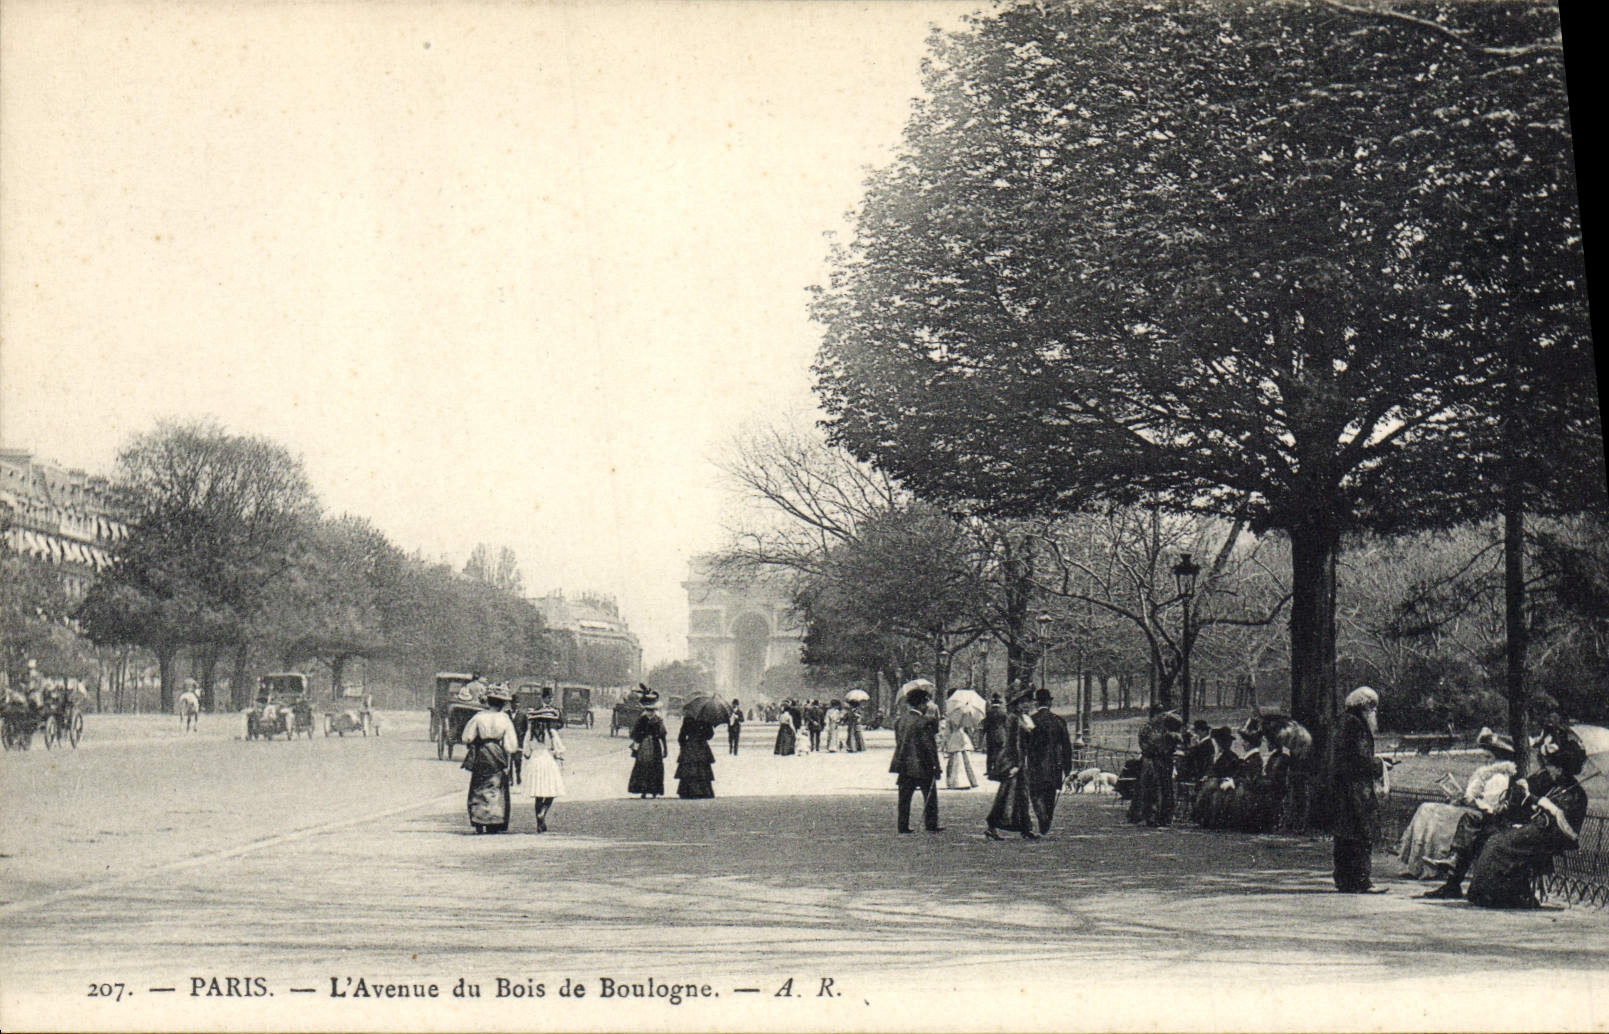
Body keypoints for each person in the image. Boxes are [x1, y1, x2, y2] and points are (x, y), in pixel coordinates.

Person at [1466, 733, 1590, 908]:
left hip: (1551, 837)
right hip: (1534, 829)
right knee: (1491, 834)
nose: (1547, 769)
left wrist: (1541, 803)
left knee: (1499, 843)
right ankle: (1502, 892)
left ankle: (1494, 894)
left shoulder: (1575, 794)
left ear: (1560, 769)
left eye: (1551, 766)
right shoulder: (1550, 781)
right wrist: (1524, 789)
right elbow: (1527, 787)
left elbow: (1564, 826)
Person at [1331, 686, 1388, 893]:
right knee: (1361, 834)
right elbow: (1360, 760)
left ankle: (1344, 880)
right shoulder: (1357, 726)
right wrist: (1380, 765)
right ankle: (1361, 880)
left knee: (1344, 835)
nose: (1375, 712)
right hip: (1356, 790)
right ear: (1365, 707)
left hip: (1342, 788)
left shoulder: (1342, 722)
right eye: (1373, 707)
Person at [461, 688, 518, 834]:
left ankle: (479, 818)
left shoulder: (479, 717)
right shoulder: (504, 719)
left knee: (479, 785)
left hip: (482, 752)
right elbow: (511, 745)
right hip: (497, 753)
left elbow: (467, 737)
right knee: (495, 786)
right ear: (502, 703)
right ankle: (494, 819)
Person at [890, 686, 943, 833]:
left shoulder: (900, 721)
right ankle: (931, 824)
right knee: (930, 796)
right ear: (921, 704)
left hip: (903, 763)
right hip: (922, 764)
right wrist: (936, 766)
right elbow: (929, 746)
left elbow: (899, 741)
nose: (927, 706)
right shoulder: (924, 722)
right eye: (925, 703)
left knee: (904, 797)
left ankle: (902, 825)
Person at [985, 693, 1037, 840]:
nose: (1026, 705)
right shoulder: (1013, 718)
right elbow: (1013, 743)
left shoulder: (1022, 718)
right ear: (1016, 704)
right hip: (1014, 762)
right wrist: (1015, 765)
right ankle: (992, 826)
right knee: (1006, 795)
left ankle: (1026, 828)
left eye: (1028, 702)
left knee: (1021, 796)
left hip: (1020, 761)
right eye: (1022, 702)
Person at [1024, 689, 1075, 836]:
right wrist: (1067, 767)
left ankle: (1041, 815)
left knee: (1035, 793)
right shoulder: (1058, 721)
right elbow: (1066, 746)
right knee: (1050, 794)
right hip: (1054, 764)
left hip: (1035, 764)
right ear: (1049, 702)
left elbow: (1024, 744)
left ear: (1037, 703)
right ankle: (1047, 818)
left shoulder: (1031, 720)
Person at [1136, 707, 1183, 827]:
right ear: (1155, 715)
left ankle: (1164, 816)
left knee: (1165, 788)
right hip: (1152, 760)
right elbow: (1147, 745)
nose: (1162, 717)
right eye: (1161, 715)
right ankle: (1152, 815)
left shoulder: (1163, 727)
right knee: (1153, 788)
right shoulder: (1148, 728)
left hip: (1163, 760)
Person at [522, 704, 565, 832]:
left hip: (534, 762)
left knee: (538, 794)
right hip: (547, 761)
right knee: (551, 791)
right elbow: (559, 749)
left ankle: (539, 823)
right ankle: (543, 812)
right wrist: (557, 755)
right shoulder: (551, 733)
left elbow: (526, 752)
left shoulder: (530, 733)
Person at [627, 690, 668, 798]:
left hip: (653, 746)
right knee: (644, 767)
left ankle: (653, 791)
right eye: (648, 710)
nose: (650, 712)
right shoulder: (643, 720)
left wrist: (665, 749)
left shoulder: (657, 720)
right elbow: (635, 734)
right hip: (645, 746)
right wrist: (636, 744)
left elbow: (663, 735)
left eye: (652, 710)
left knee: (653, 767)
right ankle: (645, 790)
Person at [942, 695, 980, 790]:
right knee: (967, 760)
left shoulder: (950, 716)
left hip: (954, 737)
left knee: (956, 760)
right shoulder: (967, 713)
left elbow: (947, 731)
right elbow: (970, 728)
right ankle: (972, 780)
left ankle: (956, 782)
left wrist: (946, 742)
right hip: (963, 737)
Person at [676, 716, 717, 799]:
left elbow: (681, 736)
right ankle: (704, 791)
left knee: (689, 768)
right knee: (702, 768)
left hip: (690, 746)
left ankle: (688, 791)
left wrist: (684, 746)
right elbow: (710, 735)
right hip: (702, 746)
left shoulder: (688, 719)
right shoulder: (706, 718)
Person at [980, 694, 1008, 776]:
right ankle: (997, 769)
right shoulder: (1003, 713)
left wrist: (984, 733)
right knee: (999, 752)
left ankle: (989, 770)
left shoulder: (989, 713)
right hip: (1001, 735)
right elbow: (1006, 725)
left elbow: (986, 725)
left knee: (990, 753)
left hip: (991, 735)